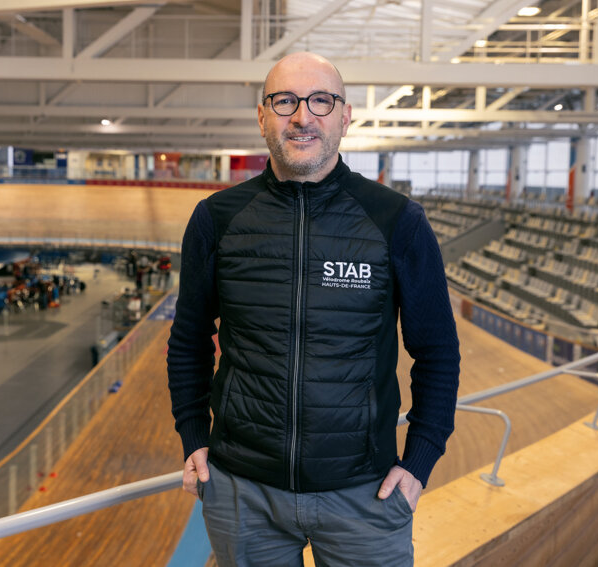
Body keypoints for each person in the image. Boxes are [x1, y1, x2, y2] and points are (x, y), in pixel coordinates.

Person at [167, 52, 460, 567]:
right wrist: (193, 434)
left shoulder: (396, 220)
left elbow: (437, 352)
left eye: (321, 101)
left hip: (365, 495)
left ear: (345, 116)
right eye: (285, 101)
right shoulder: (217, 219)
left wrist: (420, 460)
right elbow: (189, 339)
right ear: (262, 117)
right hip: (242, 493)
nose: (303, 117)